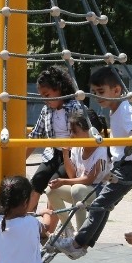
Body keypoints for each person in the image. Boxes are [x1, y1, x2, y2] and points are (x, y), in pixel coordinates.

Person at [52, 65, 132, 259]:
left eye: (101, 92)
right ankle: (82, 244)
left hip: (130, 166)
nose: (98, 97)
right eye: (94, 93)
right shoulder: (115, 110)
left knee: (100, 204)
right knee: (104, 205)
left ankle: (77, 243)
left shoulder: (124, 107)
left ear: (116, 90)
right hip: (122, 165)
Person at [26, 66, 86, 212]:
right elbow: (35, 135)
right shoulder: (47, 110)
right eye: (42, 97)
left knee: (53, 186)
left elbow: (83, 134)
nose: (45, 100)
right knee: (36, 182)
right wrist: (20, 159)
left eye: (47, 95)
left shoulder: (74, 107)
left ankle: (49, 226)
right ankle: (27, 218)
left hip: (70, 155)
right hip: (53, 153)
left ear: (59, 88)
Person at [46, 107, 111, 236]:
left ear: (91, 132)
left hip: (98, 192)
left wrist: (63, 181)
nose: (71, 135)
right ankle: (68, 228)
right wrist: (65, 153)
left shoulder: (102, 151)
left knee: (77, 189)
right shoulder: (77, 148)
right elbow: (73, 176)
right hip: (81, 191)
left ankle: (82, 234)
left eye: (75, 131)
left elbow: (89, 179)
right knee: (50, 190)